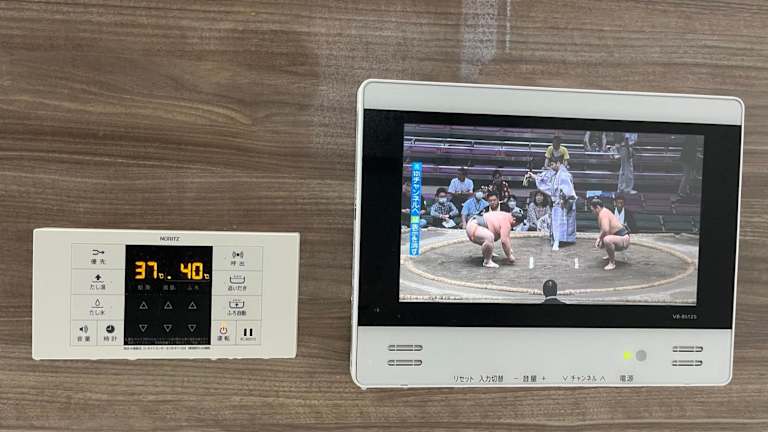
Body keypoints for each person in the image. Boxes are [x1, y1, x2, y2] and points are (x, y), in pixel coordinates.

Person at [526, 159, 577, 250]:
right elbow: (544, 180)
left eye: (552, 164)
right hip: (557, 202)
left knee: (561, 222)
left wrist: (564, 198)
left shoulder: (564, 175)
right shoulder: (553, 174)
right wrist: (533, 176)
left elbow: (568, 190)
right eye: (550, 165)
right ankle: (557, 240)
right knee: (557, 223)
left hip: (564, 202)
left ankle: (560, 241)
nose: (551, 167)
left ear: (558, 163)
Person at [590, 198, 631, 271]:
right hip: (618, 238)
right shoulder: (603, 212)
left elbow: (606, 229)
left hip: (623, 239)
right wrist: (600, 239)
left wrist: (599, 238)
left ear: (598, 207)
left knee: (607, 240)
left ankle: (612, 263)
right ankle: (610, 255)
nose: (592, 212)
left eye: (593, 210)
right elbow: (604, 229)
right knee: (603, 241)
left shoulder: (603, 213)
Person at [672, 135, 701, 202]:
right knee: (687, 176)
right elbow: (692, 151)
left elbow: (690, 150)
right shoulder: (692, 139)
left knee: (687, 176)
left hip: (686, 159)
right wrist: (694, 160)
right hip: (687, 159)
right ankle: (681, 192)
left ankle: (684, 191)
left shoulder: (689, 138)